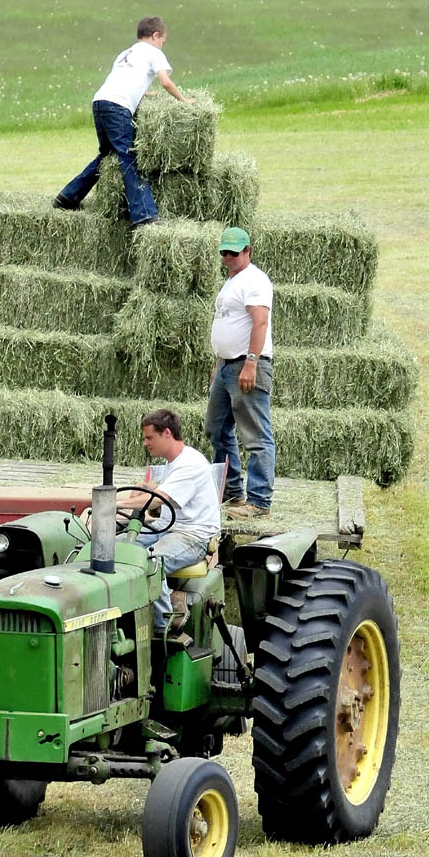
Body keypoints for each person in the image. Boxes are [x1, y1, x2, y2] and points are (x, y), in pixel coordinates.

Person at [53, 16, 193, 229]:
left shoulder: (125, 53)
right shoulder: (154, 52)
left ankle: (67, 197)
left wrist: (146, 94)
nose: (163, 44)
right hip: (118, 108)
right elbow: (166, 81)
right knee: (130, 158)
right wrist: (184, 100)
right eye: (163, 40)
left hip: (100, 102)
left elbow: (127, 80)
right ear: (156, 35)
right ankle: (144, 215)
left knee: (108, 156)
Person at [117, 409, 221, 634]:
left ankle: (164, 625)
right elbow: (163, 490)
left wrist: (115, 504)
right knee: (118, 549)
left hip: (193, 536)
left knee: (151, 560)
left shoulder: (190, 463)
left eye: (149, 438)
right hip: (168, 529)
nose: (145, 443)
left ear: (166, 433)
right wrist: (145, 487)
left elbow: (160, 499)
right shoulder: (173, 462)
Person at [205, 226, 275, 519]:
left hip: (245, 365)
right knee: (216, 429)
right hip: (227, 366)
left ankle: (259, 501)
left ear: (248, 251)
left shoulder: (254, 280)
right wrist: (219, 364)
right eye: (224, 252)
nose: (228, 257)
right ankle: (232, 492)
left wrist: (250, 362)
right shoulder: (232, 282)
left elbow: (259, 323)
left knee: (255, 434)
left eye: (234, 252)